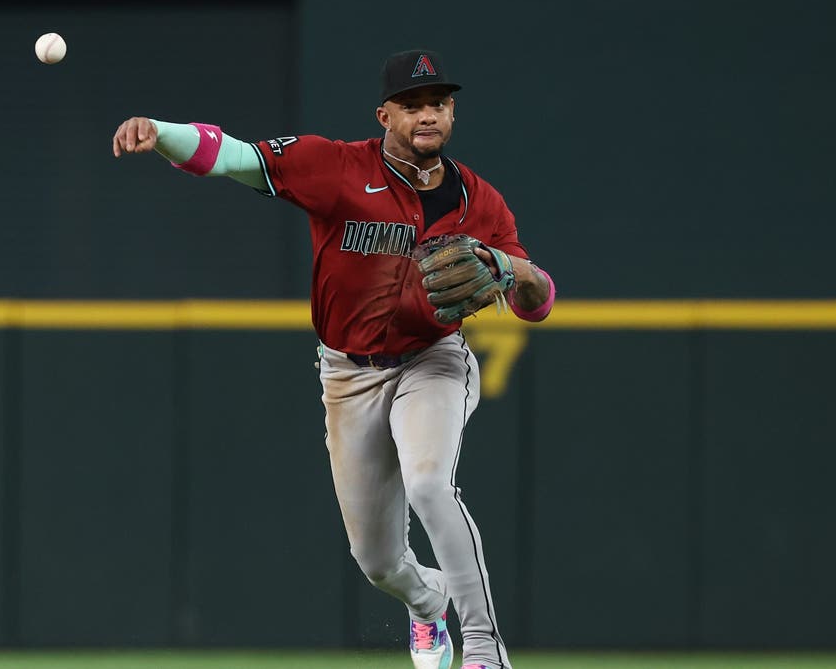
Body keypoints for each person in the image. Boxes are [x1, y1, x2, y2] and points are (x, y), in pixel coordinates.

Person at [112, 49, 554, 669]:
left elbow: (537, 301)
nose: (428, 115)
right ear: (385, 114)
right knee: (378, 562)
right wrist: (161, 134)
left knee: (430, 484)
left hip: (433, 359)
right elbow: (234, 156)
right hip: (348, 374)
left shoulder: (480, 202)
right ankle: (428, 606)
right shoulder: (336, 166)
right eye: (413, 104)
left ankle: (484, 649)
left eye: (439, 103)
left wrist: (509, 268)